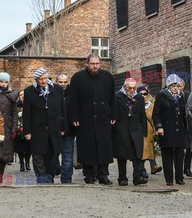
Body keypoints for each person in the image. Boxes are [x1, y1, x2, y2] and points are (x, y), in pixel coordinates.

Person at [68, 54, 116, 185]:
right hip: (85, 118)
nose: (95, 66)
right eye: (92, 63)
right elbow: (72, 100)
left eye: (97, 63)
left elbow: (112, 97)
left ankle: (103, 174)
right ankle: (89, 174)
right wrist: (74, 117)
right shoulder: (78, 78)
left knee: (104, 147)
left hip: (103, 117)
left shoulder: (108, 77)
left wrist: (113, 114)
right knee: (87, 147)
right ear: (87, 64)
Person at [23, 68, 67, 184]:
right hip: (37, 128)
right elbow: (26, 113)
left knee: (51, 155)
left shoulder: (57, 89)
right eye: (41, 79)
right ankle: (41, 179)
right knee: (38, 155)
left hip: (54, 128)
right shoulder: (29, 91)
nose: (43, 81)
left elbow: (62, 109)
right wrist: (27, 131)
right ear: (36, 80)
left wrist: (63, 127)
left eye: (45, 78)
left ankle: (49, 177)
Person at [152, 74, 187, 186]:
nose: (176, 88)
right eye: (173, 86)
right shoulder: (162, 96)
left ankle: (179, 178)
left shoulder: (182, 97)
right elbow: (156, 114)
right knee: (167, 156)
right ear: (168, 86)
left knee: (179, 155)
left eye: (177, 85)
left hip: (179, 130)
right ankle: (169, 179)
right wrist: (159, 127)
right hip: (166, 129)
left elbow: (183, 113)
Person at [113, 78, 147, 186]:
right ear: (125, 87)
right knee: (122, 156)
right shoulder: (117, 97)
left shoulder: (139, 98)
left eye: (134, 88)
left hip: (136, 130)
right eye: (129, 88)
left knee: (137, 155)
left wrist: (144, 131)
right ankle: (122, 178)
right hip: (121, 130)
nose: (132, 90)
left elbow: (143, 116)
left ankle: (137, 177)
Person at [0, 72, 18, 185]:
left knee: (5, 153)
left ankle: (1, 174)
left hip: (8, 126)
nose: (3, 84)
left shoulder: (12, 95)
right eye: (1, 81)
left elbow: (14, 114)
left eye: (6, 82)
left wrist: (14, 128)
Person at [137, 85, 162, 176]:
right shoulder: (135, 104)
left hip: (149, 132)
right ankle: (142, 170)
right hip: (140, 131)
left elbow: (153, 118)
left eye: (145, 94)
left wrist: (156, 130)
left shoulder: (150, 105)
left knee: (150, 151)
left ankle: (152, 166)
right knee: (142, 152)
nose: (143, 96)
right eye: (141, 94)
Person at [56, 73, 76, 184]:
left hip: (68, 129)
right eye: (60, 82)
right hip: (54, 129)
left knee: (67, 155)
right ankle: (55, 171)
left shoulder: (72, 95)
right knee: (54, 156)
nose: (63, 84)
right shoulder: (51, 93)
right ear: (56, 82)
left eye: (65, 82)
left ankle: (66, 179)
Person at [14, 89, 31, 171]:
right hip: (19, 130)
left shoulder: (30, 105)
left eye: (24, 95)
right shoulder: (16, 105)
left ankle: (27, 162)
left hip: (29, 129)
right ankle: (21, 163)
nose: (23, 96)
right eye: (21, 95)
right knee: (20, 148)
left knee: (29, 148)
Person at [180, 80, 192, 178]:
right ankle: (179, 169)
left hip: (188, 125)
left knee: (189, 148)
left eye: (180, 86)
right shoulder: (172, 97)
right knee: (179, 149)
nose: (178, 88)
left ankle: (187, 168)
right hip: (178, 126)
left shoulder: (188, 95)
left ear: (183, 86)